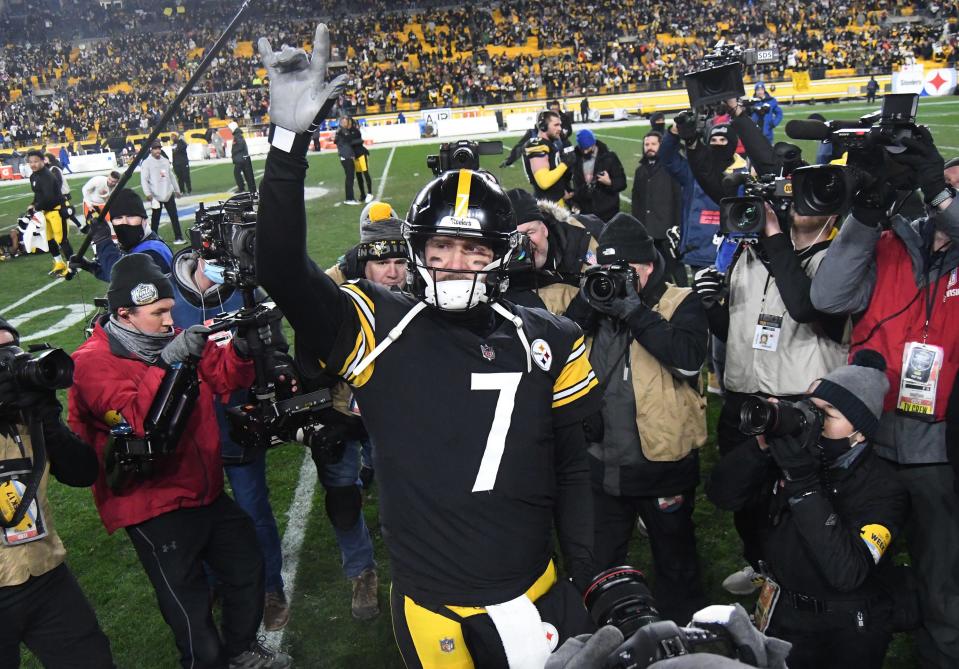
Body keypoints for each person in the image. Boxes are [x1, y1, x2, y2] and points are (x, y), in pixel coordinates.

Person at [256, 24, 599, 666]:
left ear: (501, 257)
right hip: (432, 600)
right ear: (417, 253)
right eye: (440, 248)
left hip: (536, 589)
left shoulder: (551, 337)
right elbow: (279, 268)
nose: (455, 264)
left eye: (473, 250)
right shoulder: (377, 326)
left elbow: (574, 468)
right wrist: (287, 142)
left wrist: (589, 572)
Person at [68, 254, 290, 669]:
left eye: (170, 310)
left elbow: (224, 378)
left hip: (203, 491)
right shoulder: (91, 361)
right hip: (151, 503)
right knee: (191, 616)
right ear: (124, 315)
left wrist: (243, 350)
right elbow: (135, 422)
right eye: (159, 313)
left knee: (247, 564)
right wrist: (171, 360)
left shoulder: (171, 339)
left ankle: (241, 648)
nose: (171, 320)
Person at [810, 129, 959, 668]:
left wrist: (936, 195)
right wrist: (866, 213)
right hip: (865, 443)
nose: (948, 190)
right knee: (847, 568)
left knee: (944, 585)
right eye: (947, 181)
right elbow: (827, 296)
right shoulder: (890, 239)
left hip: (937, 451)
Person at [708, 352, 909, 669]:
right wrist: (759, 449)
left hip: (845, 630)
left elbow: (847, 572)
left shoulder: (884, 489)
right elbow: (721, 495)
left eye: (829, 413)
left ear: (861, 433)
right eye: (810, 408)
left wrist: (804, 485)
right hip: (783, 614)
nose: (815, 419)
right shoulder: (791, 456)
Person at [565, 214, 709, 624]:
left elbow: (687, 360)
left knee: (675, 561)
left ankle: (683, 634)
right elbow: (560, 345)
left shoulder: (680, 301)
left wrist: (634, 311)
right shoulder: (596, 298)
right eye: (608, 270)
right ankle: (604, 636)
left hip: (663, 463)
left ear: (648, 266)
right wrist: (591, 301)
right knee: (598, 563)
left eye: (626, 271)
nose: (616, 279)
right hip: (603, 462)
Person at [169, 249, 291, 631]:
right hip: (189, 434)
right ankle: (210, 584)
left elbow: (276, 349)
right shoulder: (166, 300)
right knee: (198, 518)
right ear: (202, 255)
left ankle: (270, 587)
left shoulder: (246, 291)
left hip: (239, 424)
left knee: (254, 511)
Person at [0, 317, 115, 668]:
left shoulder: (25, 413)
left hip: (43, 571)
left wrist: (47, 419)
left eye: (9, 352)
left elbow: (83, 473)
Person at [505, 187, 599, 314]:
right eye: (515, 238)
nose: (525, 243)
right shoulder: (510, 290)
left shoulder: (587, 229)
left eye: (529, 232)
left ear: (544, 229)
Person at [659, 121, 723, 273]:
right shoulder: (691, 171)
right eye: (714, 140)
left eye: (723, 140)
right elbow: (667, 159)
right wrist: (674, 132)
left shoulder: (741, 171)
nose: (718, 145)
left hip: (729, 251)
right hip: (699, 251)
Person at [74, 187, 173, 282]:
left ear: (144, 220)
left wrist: (103, 240)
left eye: (131, 216)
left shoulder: (152, 251)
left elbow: (120, 276)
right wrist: (90, 267)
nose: (124, 222)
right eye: (118, 218)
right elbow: (123, 273)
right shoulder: (139, 245)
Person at [631, 131, 685, 286]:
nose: (650, 147)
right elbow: (637, 201)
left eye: (653, 144)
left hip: (668, 229)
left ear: (661, 145)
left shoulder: (670, 168)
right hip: (648, 231)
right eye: (647, 144)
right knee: (657, 271)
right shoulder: (640, 170)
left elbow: (678, 199)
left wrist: (677, 225)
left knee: (676, 268)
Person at [25, 149, 73, 279]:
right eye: (30, 162)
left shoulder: (47, 175)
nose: (33, 164)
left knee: (62, 240)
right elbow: (38, 194)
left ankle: (72, 266)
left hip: (57, 209)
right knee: (49, 239)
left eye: (35, 161)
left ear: (42, 161)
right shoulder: (34, 176)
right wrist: (33, 203)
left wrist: (36, 207)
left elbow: (49, 197)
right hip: (45, 211)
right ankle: (59, 263)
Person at [570, 128, 626, 223]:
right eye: (583, 148)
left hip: (608, 212)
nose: (585, 152)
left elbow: (622, 183)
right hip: (586, 211)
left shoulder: (609, 157)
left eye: (588, 148)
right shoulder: (575, 159)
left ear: (594, 143)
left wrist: (609, 183)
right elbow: (575, 185)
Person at [523, 110, 577, 205]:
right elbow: (544, 182)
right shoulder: (537, 145)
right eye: (556, 125)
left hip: (555, 201)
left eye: (560, 125)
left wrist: (562, 192)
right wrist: (565, 163)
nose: (560, 128)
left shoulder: (549, 143)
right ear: (543, 126)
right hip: (548, 206)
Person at [141, 140, 184, 243]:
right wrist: (148, 193)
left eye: (159, 148)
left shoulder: (165, 160)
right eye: (155, 148)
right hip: (155, 195)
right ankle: (153, 239)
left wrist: (177, 190)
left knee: (174, 217)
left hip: (168, 193)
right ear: (151, 150)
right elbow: (144, 179)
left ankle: (179, 237)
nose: (158, 151)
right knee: (155, 219)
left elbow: (171, 176)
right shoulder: (147, 163)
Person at [334, 116, 361, 205]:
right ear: (342, 123)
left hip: (346, 156)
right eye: (345, 122)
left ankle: (350, 198)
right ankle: (349, 199)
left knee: (350, 177)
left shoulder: (342, 131)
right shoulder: (342, 131)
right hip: (346, 157)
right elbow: (345, 145)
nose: (347, 123)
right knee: (349, 178)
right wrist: (350, 155)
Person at [230, 123, 256, 193]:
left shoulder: (237, 136)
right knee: (247, 173)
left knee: (237, 173)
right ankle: (251, 188)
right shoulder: (238, 135)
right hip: (242, 157)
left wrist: (234, 152)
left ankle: (241, 188)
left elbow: (240, 145)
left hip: (240, 158)